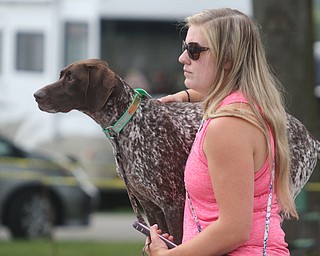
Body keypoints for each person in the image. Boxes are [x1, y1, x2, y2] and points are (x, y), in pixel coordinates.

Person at [144, 8, 298, 256]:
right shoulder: (243, 104)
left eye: (194, 51)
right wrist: (182, 97)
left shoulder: (227, 126)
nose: (183, 58)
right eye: (185, 47)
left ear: (228, 59)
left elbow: (234, 230)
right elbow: (214, 92)